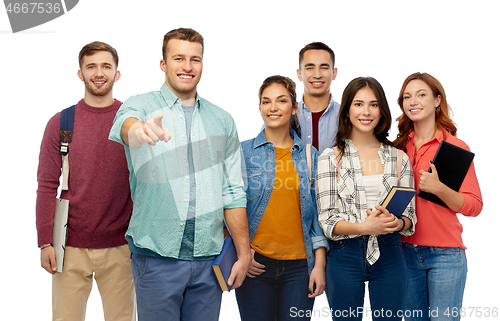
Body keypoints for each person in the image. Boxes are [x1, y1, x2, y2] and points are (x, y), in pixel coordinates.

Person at [108, 28, 251, 321]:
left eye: (194, 59)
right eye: (178, 58)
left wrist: (244, 252)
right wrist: (141, 131)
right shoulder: (141, 105)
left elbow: (233, 191)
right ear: (163, 64)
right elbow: (126, 126)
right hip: (156, 257)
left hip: (208, 260)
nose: (187, 66)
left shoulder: (222, 120)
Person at [36, 41, 136, 321]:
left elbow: (150, 182)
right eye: (91, 66)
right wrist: (45, 242)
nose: (99, 72)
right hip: (68, 245)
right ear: (80, 73)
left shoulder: (130, 122)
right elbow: (46, 185)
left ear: (117, 74)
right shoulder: (61, 123)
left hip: (121, 246)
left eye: (106, 66)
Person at [316, 77, 416, 320]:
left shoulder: (398, 158)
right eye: (358, 104)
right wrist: (363, 227)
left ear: (382, 111)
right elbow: (327, 221)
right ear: (347, 110)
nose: (366, 112)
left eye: (373, 104)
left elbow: (410, 217)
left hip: (390, 252)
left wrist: (397, 223)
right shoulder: (330, 158)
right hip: (344, 254)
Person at [236, 76, 328, 321]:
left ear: (294, 107)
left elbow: (319, 217)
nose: (273, 107)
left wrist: (319, 265)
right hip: (256, 265)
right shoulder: (242, 152)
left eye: (281, 100)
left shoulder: (310, 155)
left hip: (299, 268)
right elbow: (230, 207)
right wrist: (244, 253)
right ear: (259, 107)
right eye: (266, 101)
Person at [393, 72, 483, 321]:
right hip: (404, 252)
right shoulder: (397, 147)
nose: (413, 101)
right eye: (407, 97)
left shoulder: (455, 147)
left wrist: (439, 188)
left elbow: (474, 205)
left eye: (421, 95)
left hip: (446, 255)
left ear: (437, 100)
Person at [295, 42, 340, 153]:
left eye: (324, 67)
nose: (317, 75)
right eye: (310, 68)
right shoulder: (285, 116)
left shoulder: (346, 115)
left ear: (334, 73)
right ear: (299, 74)